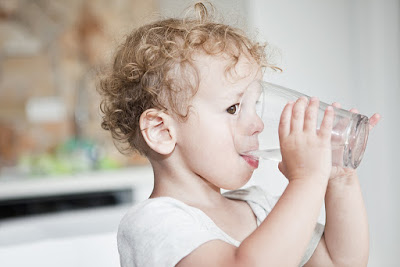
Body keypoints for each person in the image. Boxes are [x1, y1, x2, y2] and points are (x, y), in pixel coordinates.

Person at [98, 2, 380, 266]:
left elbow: (340, 261)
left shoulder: (258, 206)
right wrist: (306, 180)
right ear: (161, 131)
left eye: (254, 106)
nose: (257, 123)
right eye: (233, 108)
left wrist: (340, 180)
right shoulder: (153, 223)